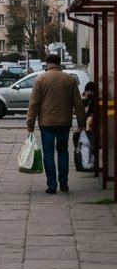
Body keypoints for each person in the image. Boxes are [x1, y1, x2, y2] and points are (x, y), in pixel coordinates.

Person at [26, 54, 85, 193]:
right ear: (59, 63)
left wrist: (30, 123)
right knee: (63, 151)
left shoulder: (41, 79)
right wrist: (81, 123)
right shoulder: (70, 79)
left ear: (47, 63)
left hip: (46, 123)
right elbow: (78, 103)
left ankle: (52, 185)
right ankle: (63, 183)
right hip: (64, 122)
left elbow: (34, 104)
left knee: (48, 153)